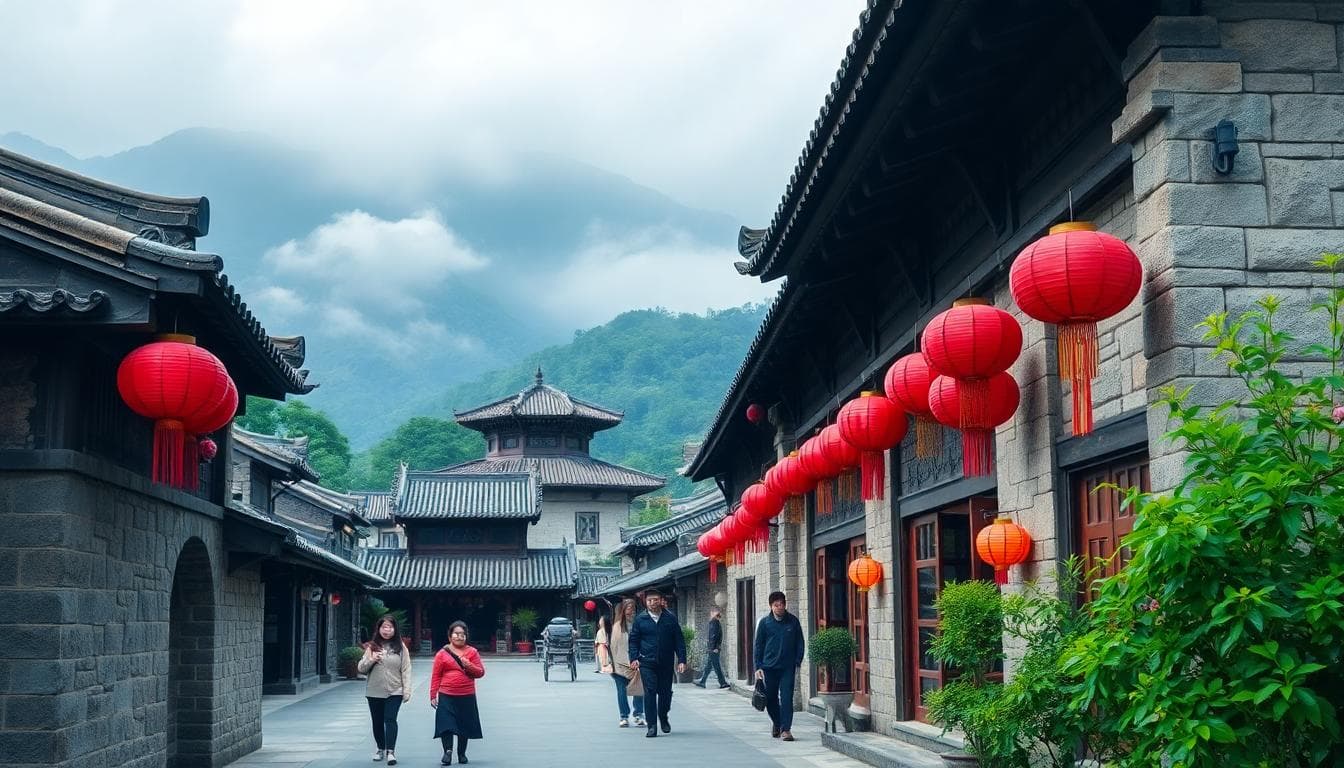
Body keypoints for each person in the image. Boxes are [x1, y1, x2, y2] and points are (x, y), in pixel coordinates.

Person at [627, 588, 686, 738]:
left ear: (661, 600)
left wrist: (682, 660)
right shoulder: (640, 619)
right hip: (647, 661)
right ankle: (652, 725)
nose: (652, 603)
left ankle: (663, 716)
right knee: (650, 692)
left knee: (665, 693)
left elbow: (679, 640)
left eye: (655, 600)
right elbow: (633, 640)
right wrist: (634, 658)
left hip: (666, 662)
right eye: (649, 600)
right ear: (645, 602)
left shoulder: (670, 618)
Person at [359, 614, 413, 765]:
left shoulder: (400, 647)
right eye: (384, 627)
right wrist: (372, 659)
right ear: (379, 629)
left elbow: (406, 669)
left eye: (390, 627)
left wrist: (407, 690)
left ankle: (391, 751)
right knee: (377, 722)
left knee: (390, 719)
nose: (387, 630)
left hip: (395, 690)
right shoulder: (372, 647)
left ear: (395, 629)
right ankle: (380, 748)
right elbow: (361, 668)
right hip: (374, 690)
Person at [430, 621, 485, 765]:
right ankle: (447, 751)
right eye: (456, 634)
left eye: (462, 634)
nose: (459, 636)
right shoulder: (442, 654)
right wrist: (433, 694)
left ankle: (462, 753)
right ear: (450, 636)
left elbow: (480, 672)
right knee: (446, 723)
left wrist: (469, 665)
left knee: (464, 725)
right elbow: (436, 675)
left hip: (466, 694)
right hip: (446, 694)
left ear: (466, 636)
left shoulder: (472, 652)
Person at [754, 591, 805, 742]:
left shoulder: (793, 622)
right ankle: (777, 723)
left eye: (782, 604)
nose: (779, 607)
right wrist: (758, 667)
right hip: (769, 667)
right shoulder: (765, 623)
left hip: (787, 667)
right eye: (776, 605)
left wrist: (797, 660)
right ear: (771, 606)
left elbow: (800, 642)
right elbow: (758, 646)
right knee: (770, 698)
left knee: (787, 698)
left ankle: (786, 730)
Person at [606, 598, 646, 728]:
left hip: (636, 663)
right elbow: (612, 647)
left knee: (638, 689)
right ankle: (624, 716)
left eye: (633, 609)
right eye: (628, 609)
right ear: (623, 610)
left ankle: (638, 714)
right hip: (619, 664)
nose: (631, 611)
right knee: (621, 691)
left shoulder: (639, 624)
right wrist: (611, 664)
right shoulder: (617, 627)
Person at [693, 606, 729, 689]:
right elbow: (717, 636)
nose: (710, 614)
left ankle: (722, 683)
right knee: (709, 666)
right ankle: (703, 682)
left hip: (713, 649)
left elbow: (713, 636)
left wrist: (713, 648)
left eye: (712, 612)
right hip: (714, 648)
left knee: (716, 666)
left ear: (713, 613)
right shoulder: (716, 622)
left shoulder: (714, 622)